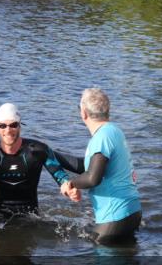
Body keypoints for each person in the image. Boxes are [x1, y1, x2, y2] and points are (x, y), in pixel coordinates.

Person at [0, 103, 74, 222]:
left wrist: (68, 187)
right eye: (2, 126)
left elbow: (60, 176)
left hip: (31, 217)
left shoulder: (38, 150)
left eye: (13, 125)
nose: (8, 130)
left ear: (20, 125)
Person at [59, 88, 141, 244]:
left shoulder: (101, 138)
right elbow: (90, 166)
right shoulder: (114, 131)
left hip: (114, 218)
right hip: (132, 212)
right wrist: (56, 156)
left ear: (83, 113)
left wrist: (70, 183)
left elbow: (92, 178)